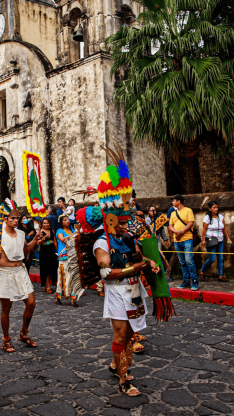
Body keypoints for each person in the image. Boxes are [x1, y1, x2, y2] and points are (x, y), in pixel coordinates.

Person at [73, 142, 161, 397]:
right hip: (117, 291)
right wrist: (134, 268)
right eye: (121, 223)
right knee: (121, 335)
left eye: (126, 222)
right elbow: (105, 273)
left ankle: (115, 365)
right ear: (110, 220)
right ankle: (124, 378)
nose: (125, 226)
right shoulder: (102, 243)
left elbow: (141, 256)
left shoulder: (128, 238)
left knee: (132, 333)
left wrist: (150, 263)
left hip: (135, 290)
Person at [0, 199, 37, 353]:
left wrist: (35, 240)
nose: (15, 220)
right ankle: (6, 339)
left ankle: (23, 332)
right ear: (5, 219)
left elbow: (26, 250)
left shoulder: (21, 234)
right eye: (12, 218)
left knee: (31, 303)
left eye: (17, 218)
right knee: (6, 308)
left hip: (20, 271)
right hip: (5, 273)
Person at [168, 194, 198, 291]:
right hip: (177, 239)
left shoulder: (188, 210)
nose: (172, 202)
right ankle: (185, 280)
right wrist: (176, 232)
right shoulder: (173, 213)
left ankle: (194, 280)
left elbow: (190, 223)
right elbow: (170, 226)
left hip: (187, 238)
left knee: (189, 260)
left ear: (179, 201)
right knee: (182, 262)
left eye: (174, 200)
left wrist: (182, 231)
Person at [201, 201, 230, 283]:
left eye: (217, 207)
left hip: (220, 239)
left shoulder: (220, 217)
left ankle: (220, 276)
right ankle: (202, 271)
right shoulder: (207, 218)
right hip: (211, 240)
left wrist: (228, 238)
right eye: (214, 207)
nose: (216, 209)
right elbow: (204, 230)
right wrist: (203, 240)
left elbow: (224, 228)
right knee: (212, 259)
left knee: (220, 258)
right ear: (210, 209)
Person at [55, 214, 78, 306]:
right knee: (63, 277)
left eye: (68, 219)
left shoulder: (72, 230)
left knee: (73, 277)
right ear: (61, 222)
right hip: (64, 257)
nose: (67, 221)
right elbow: (62, 239)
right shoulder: (59, 231)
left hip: (73, 256)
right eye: (64, 220)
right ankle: (58, 296)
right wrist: (74, 235)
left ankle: (72, 299)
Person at [145, 206, 172, 279]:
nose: (153, 212)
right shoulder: (146, 220)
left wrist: (165, 240)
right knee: (151, 256)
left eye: (154, 210)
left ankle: (162, 272)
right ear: (148, 212)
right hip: (150, 239)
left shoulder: (159, 218)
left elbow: (162, 230)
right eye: (151, 210)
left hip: (157, 239)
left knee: (159, 255)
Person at [37, 218, 58, 294]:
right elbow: (38, 242)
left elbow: (55, 242)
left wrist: (58, 251)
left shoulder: (52, 231)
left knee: (52, 268)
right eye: (44, 223)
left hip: (51, 251)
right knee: (46, 268)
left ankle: (47, 283)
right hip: (44, 251)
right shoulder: (40, 232)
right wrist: (43, 238)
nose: (46, 224)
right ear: (42, 224)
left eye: (47, 223)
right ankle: (47, 285)